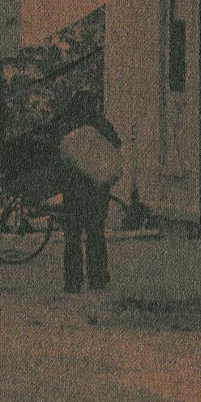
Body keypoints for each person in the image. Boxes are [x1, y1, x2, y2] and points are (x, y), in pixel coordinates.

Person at [55, 95, 123, 294]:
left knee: (72, 236)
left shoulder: (67, 125)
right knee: (95, 234)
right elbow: (116, 146)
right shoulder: (101, 125)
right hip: (96, 191)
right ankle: (97, 277)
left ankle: (73, 281)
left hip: (73, 191)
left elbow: (60, 155)